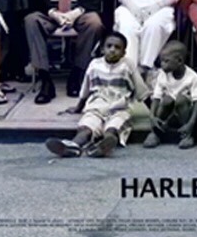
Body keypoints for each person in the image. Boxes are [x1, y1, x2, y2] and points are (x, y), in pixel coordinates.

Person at [44, 31, 149, 159]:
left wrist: (153, 113)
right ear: (102, 49)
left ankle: (103, 146)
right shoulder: (95, 65)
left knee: (113, 128)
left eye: (117, 48)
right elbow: (85, 88)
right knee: (87, 126)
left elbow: (140, 88)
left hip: (119, 108)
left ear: (124, 52)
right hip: (96, 106)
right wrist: (78, 107)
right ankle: (72, 146)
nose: (112, 50)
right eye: (109, 46)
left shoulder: (128, 65)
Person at [143, 41, 197, 150]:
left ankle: (188, 135)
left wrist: (191, 124)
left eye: (166, 61)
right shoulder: (163, 74)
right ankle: (155, 132)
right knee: (166, 100)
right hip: (170, 113)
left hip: (184, 113)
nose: (162, 65)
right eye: (161, 61)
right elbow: (156, 98)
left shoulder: (192, 77)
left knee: (181, 99)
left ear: (179, 61)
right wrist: (152, 117)